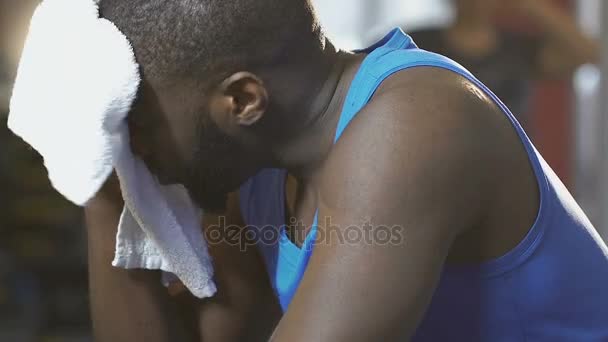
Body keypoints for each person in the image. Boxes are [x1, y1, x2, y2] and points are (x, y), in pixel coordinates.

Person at [86, 0, 608, 341]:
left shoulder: (417, 124)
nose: (134, 145)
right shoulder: (255, 172)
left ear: (243, 100)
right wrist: (99, 185)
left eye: (141, 123)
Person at [408, 0, 598, 128]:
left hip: (513, 172)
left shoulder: (518, 49)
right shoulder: (418, 44)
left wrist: (528, 5)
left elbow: (587, 53)